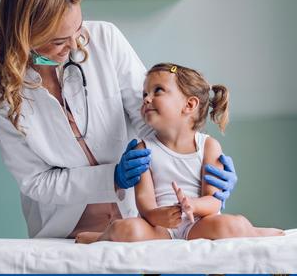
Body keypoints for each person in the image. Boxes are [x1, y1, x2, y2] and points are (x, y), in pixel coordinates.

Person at [0, 0, 238, 238]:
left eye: (78, 30)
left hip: (141, 220)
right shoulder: (1, 96)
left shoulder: (105, 40)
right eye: (59, 41)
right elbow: (37, 182)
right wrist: (113, 177)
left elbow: (153, 120)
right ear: (26, 38)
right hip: (65, 230)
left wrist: (198, 164)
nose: (77, 46)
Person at [76, 63, 284, 243]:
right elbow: (145, 204)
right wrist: (159, 216)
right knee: (125, 228)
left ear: (189, 104)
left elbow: (214, 200)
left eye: (157, 91)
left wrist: (191, 205)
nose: (146, 99)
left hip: (199, 224)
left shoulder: (208, 146)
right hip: (160, 227)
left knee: (233, 224)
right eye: (144, 94)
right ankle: (100, 237)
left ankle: (255, 232)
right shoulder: (143, 149)